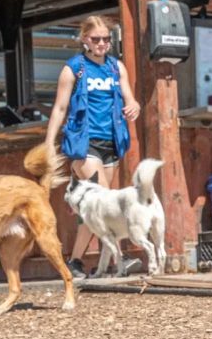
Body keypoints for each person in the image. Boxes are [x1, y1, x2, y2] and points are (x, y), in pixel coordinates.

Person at [44, 16, 140, 280]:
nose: (102, 44)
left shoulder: (116, 67)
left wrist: (134, 106)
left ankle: (75, 261)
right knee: (106, 201)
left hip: (111, 142)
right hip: (84, 143)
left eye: (106, 39)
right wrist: (49, 143)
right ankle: (119, 260)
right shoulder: (74, 68)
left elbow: (130, 98)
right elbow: (60, 108)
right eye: (96, 39)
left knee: (95, 208)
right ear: (85, 39)